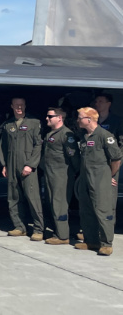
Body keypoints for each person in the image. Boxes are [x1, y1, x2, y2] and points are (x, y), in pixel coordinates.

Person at [74, 107, 122, 256]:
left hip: (100, 180)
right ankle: (91, 240)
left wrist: (110, 176)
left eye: (80, 117)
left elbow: (116, 158)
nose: (77, 120)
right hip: (85, 179)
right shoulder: (84, 137)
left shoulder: (104, 135)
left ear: (89, 119)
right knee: (86, 210)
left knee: (103, 210)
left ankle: (106, 243)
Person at [0, 97, 44, 240]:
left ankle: (38, 229)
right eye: (16, 105)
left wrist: (31, 164)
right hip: (12, 165)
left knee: (32, 197)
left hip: (28, 165)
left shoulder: (34, 123)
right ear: (11, 106)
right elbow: (3, 146)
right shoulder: (8, 125)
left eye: (22, 105)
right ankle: (19, 227)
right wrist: (4, 164)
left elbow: (38, 145)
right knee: (13, 197)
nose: (19, 107)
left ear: (25, 106)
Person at [41, 107, 79, 245]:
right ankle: (57, 230)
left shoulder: (66, 135)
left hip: (61, 175)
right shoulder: (50, 134)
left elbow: (74, 157)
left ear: (59, 118)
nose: (47, 118)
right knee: (52, 203)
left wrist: (74, 172)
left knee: (60, 203)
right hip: (50, 173)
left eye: (50, 116)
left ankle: (62, 236)